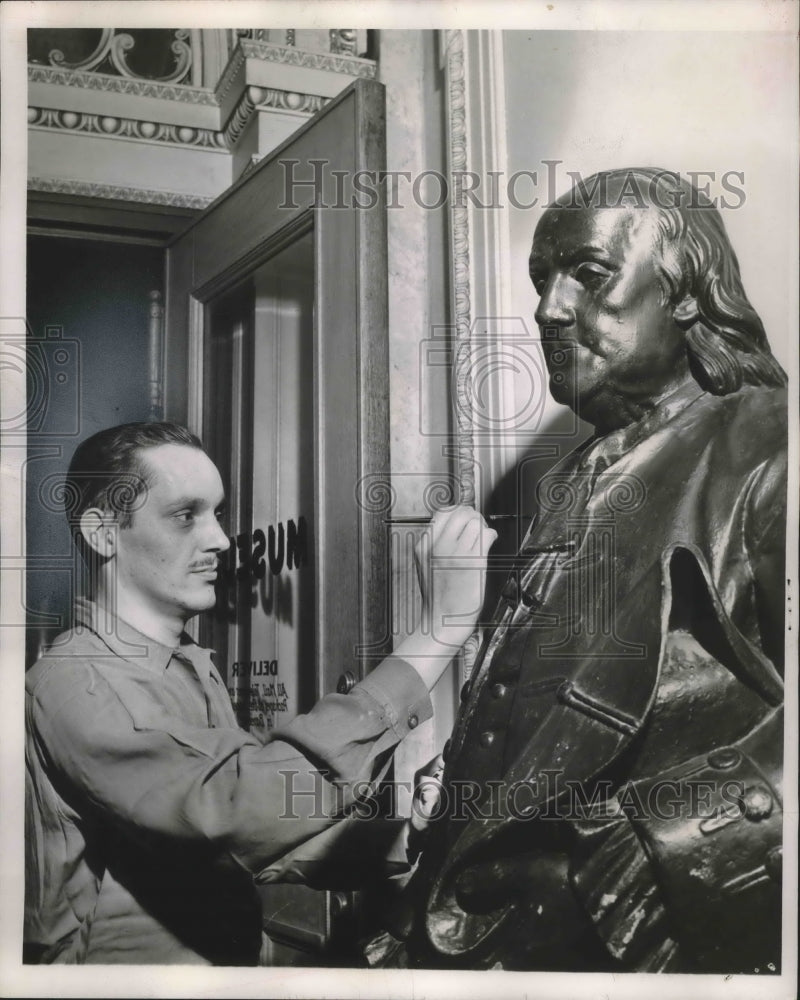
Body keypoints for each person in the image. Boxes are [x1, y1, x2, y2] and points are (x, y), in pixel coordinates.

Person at [370, 168, 788, 974]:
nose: (549, 309)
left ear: (687, 292)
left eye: (589, 274)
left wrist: (659, 849)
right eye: (543, 280)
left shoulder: (770, 448)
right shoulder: (573, 476)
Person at [24, 421, 496, 965]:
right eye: (186, 515)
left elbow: (249, 850)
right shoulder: (74, 684)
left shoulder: (186, 666)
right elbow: (233, 814)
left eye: (217, 514)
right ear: (102, 532)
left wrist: (406, 834)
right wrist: (436, 634)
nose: (220, 540)